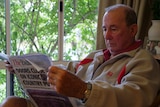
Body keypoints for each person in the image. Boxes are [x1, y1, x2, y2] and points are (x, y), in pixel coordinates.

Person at [1, 4, 160, 107]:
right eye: (105, 29)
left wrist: (85, 91)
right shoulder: (96, 55)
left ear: (132, 30)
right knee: (12, 103)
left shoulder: (142, 61)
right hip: (62, 104)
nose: (107, 36)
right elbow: (68, 69)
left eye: (113, 29)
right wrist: (25, 66)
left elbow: (133, 98)